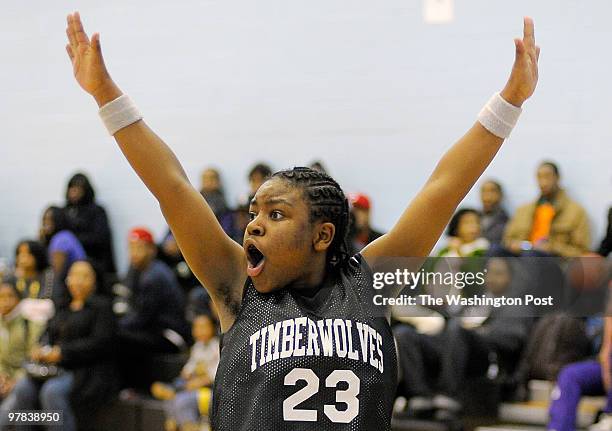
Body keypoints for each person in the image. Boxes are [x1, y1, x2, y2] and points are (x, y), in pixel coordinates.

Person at [64, 12, 540, 430]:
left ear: (322, 235)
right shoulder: (236, 285)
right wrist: (105, 94)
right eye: (253, 214)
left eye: (275, 214)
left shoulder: (368, 282)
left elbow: (445, 188)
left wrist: (510, 102)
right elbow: (172, 187)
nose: (253, 225)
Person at [394, 258, 533, 421]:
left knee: (457, 329)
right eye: (488, 272)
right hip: (453, 348)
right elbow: (453, 321)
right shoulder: (478, 301)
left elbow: (512, 340)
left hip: (486, 359)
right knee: (405, 334)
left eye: (499, 273)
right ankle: (419, 395)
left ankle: (448, 396)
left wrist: (479, 332)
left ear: (510, 277)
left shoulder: (517, 306)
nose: (492, 278)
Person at [7, 260, 118, 431]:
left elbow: (101, 343)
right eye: (74, 275)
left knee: (52, 391)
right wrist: (39, 348)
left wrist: (62, 352)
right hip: (51, 368)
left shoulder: (102, 307)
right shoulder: (62, 305)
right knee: (23, 388)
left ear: (95, 280)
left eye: (85, 276)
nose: (78, 281)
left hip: (84, 369)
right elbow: (47, 332)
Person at [118, 227, 190, 390]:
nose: (134, 253)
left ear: (151, 249)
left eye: (139, 248)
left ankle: (141, 388)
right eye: (131, 248)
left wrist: (116, 325)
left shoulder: (154, 276)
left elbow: (143, 317)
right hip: (155, 328)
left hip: (171, 334)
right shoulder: (140, 271)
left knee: (122, 338)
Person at [502, 161, 591, 257]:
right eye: (539, 177)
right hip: (522, 255)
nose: (543, 183)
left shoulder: (576, 212)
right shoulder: (523, 210)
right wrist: (513, 244)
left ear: (557, 178)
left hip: (554, 260)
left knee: (531, 255)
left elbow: (582, 251)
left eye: (547, 177)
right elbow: (507, 240)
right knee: (494, 251)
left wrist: (553, 247)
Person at [151, 314, 220, 431]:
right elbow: (189, 368)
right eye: (197, 327)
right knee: (165, 393)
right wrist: (187, 373)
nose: (200, 331)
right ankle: (173, 396)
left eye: (204, 327)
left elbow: (216, 374)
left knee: (180, 400)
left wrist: (199, 381)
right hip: (192, 384)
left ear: (212, 328)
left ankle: (188, 425)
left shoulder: (217, 346)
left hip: (210, 390)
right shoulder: (197, 347)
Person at [0, 279, 44, 419]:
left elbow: (34, 358)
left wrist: (14, 381)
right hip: (4, 378)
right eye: (1, 297)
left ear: (19, 299)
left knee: (5, 417)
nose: (5, 301)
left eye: (10, 296)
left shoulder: (29, 323)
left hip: (25, 379)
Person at [63, 172, 116, 276]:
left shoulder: (96, 211)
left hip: (94, 260)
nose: (74, 192)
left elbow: (100, 238)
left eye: (78, 188)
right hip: (69, 264)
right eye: (72, 188)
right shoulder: (64, 211)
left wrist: (73, 240)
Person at [40, 206, 86, 279]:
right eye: (44, 219)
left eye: (50, 220)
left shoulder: (61, 239)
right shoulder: (66, 235)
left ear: (58, 220)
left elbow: (57, 273)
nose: (46, 223)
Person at [479, 180, 509, 245]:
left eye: (492, 191)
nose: (487, 195)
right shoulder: (474, 216)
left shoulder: (505, 220)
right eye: (483, 191)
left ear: (500, 195)